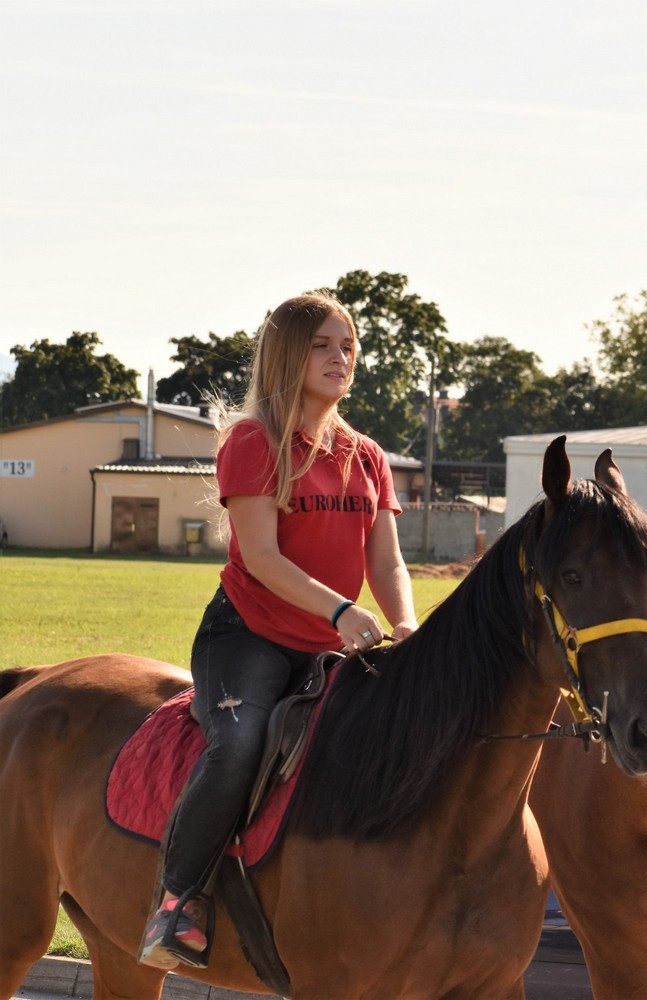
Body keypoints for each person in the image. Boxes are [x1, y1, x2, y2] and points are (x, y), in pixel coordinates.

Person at [139, 293, 419, 968]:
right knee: (238, 748)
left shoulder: (367, 454)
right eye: (323, 345)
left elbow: (386, 560)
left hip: (327, 643)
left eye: (348, 346)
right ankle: (177, 903)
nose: (340, 358)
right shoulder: (253, 440)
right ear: (289, 354)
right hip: (248, 636)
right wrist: (342, 613)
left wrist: (407, 622)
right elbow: (261, 558)